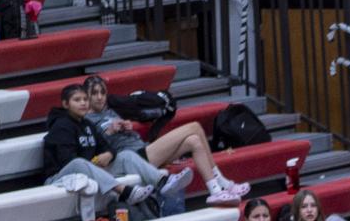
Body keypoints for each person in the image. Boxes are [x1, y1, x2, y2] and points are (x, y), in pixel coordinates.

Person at [80, 73, 246, 204]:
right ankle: (222, 180)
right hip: (136, 157)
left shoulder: (109, 111)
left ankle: (215, 190)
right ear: (86, 96)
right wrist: (108, 132)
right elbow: (95, 147)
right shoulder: (85, 120)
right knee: (194, 126)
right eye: (94, 93)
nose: (100, 97)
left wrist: (125, 126)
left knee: (194, 141)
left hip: (143, 149)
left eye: (102, 92)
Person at [40, 83, 149, 221]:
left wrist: (109, 154)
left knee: (126, 155)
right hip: (58, 178)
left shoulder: (88, 124)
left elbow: (107, 146)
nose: (83, 103)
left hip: (86, 170)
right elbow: (67, 161)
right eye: (77, 100)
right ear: (66, 104)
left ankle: (161, 180)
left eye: (85, 99)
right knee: (79, 162)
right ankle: (123, 190)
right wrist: (93, 163)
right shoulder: (61, 126)